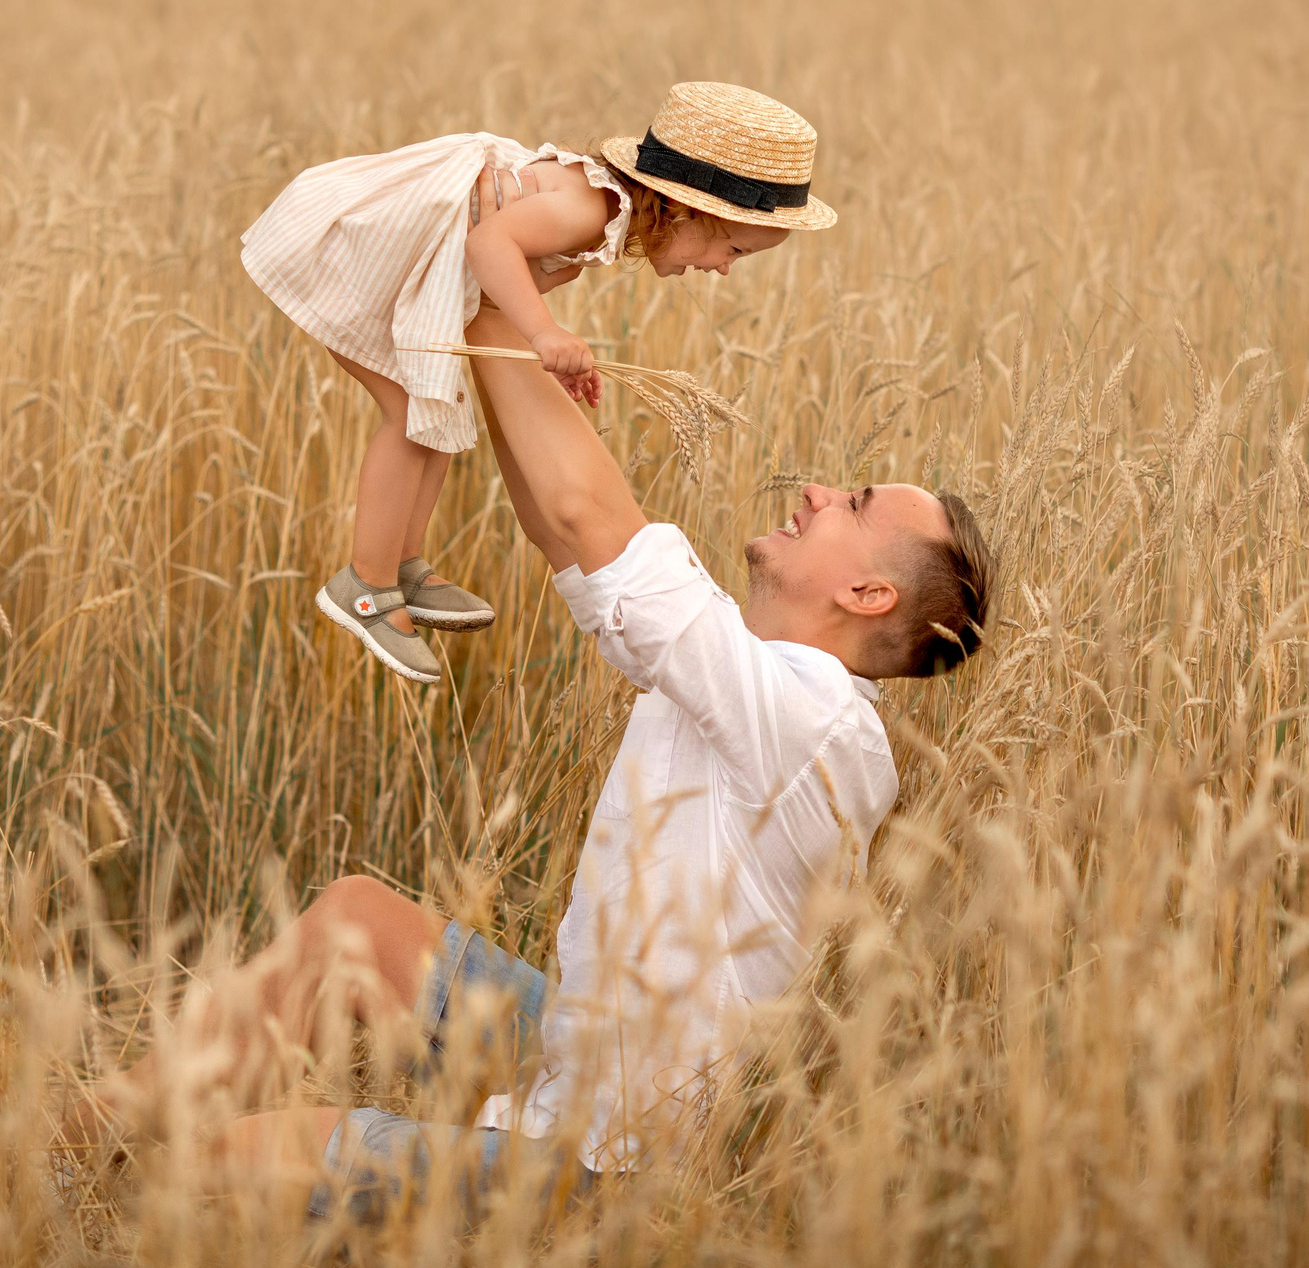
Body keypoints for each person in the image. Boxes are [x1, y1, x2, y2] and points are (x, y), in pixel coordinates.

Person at [91, 289, 997, 1221]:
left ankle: (117, 1206)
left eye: (851, 503)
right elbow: (564, 529)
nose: (815, 491)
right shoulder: (753, 674)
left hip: (609, 1163)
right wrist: (492, 315)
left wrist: (493, 302)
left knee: (237, 1158)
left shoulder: (819, 727)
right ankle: (77, 1138)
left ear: (868, 591)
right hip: (576, 1048)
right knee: (356, 917)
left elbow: (585, 508)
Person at [238, 80, 835, 684]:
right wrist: (546, 334)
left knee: (439, 411)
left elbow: (505, 279)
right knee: (411, 416)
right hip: (367, 250)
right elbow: (489, 242)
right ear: (683, 210)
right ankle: (365, 585)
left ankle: (402, 561)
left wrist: (547, 352)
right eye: (734, 248)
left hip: (410, 262)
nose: (726, 270)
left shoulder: (603, 220)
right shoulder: (586, 210)